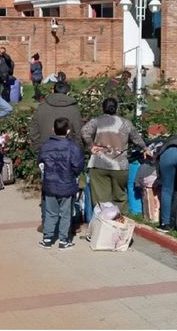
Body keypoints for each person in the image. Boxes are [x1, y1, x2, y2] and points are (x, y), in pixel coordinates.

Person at [81, 97, 150, 215]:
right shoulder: (125, 123)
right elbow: (136, 138)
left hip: (99, 164)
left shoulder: (96, 121)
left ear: (103, 108)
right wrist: (145, 148)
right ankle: (119, 223)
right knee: (120, 197)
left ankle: (103, 226)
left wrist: (91, 145)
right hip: (120, 165)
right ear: (116, 108)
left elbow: (84, 132)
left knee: (101, 201)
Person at [38, 117, 84, 249]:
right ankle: (64, 240)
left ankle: (47, 238)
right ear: (68, 131)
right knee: (65, 213)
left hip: (50, 184)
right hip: (67, 184)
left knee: (50, 212)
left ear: (53, 129)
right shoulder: (73, 147)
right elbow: (78, 166)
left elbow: (40, 162)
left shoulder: (45, 146)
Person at [30, 82, 83, 151]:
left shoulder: (41, 108)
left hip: (46, 151)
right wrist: (76, 151)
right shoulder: (74, 110)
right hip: (67, 152)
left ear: (53, 91)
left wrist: (38, 149)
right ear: (68, 93)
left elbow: (34, 132)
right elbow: (79, 134)